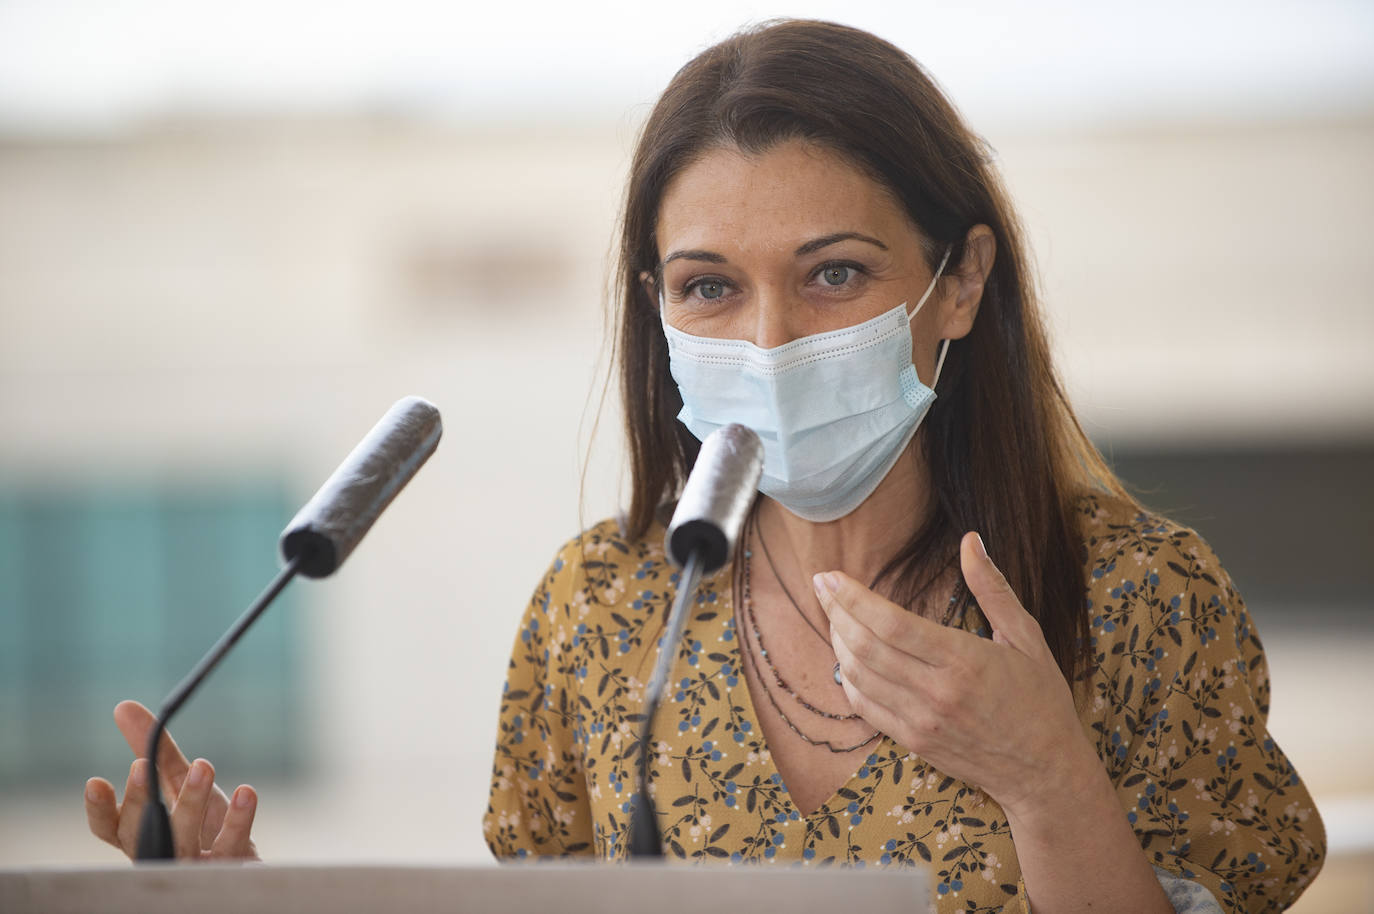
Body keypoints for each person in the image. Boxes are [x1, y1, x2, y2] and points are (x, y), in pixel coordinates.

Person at [85, 18, 1324, 913]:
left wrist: (1045, 775)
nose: (769, 340)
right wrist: (234, 904)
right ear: (656, 308)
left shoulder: (1140, 595)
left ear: (960, 283)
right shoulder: (597, 611)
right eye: (710, 288)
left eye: (834, 272)